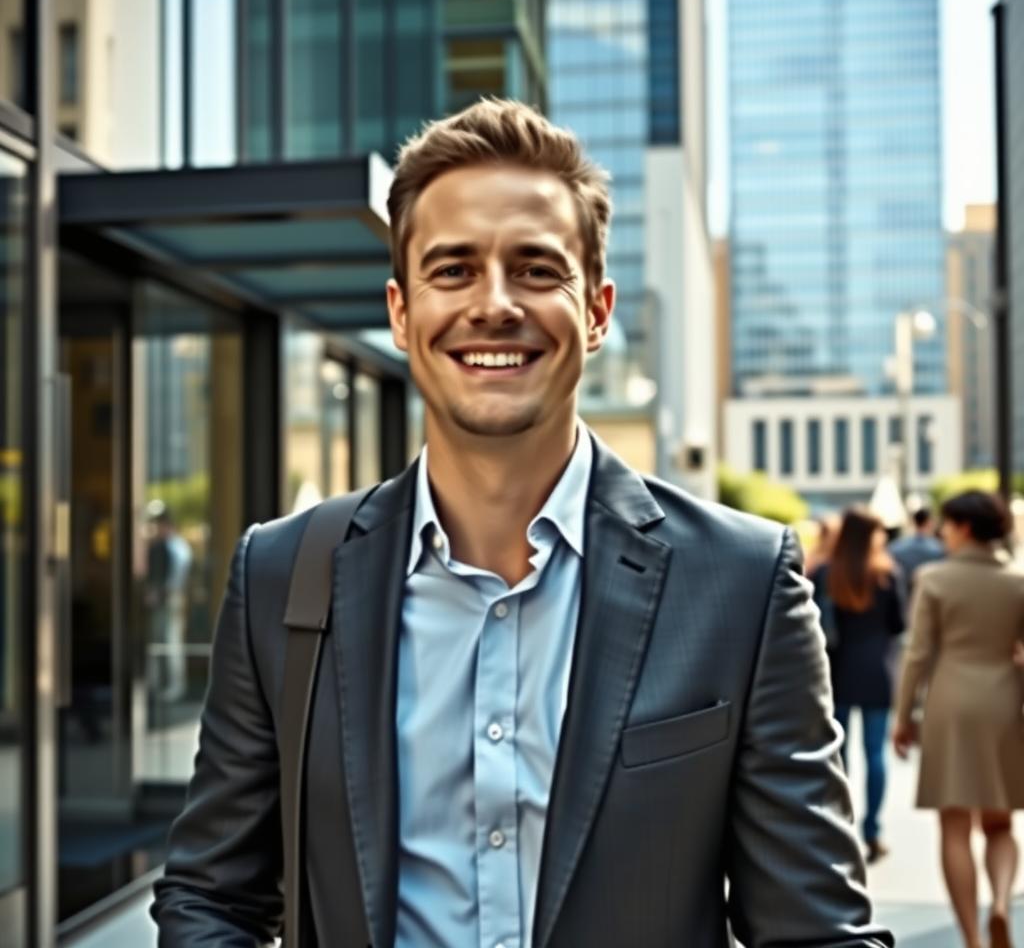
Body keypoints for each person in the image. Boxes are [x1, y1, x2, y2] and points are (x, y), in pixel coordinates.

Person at [152, 99, 892, 946]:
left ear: (598, 310)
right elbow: (211, 897)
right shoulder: (283, 573)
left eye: (537, 270)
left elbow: (817, 931)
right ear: (401, 313)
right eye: (453, 269)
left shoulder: (742, 580)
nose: (494, 304)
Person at [893, 491, 1024, 948]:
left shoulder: (934, 578)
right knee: (1000, 823)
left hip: (950, 703)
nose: (944, 534)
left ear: (964, 526)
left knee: (954, 825)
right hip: (1006, 702)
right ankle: (1004, 903)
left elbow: (918, 653)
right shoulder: (1017, 580)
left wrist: (903, 715)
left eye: (948, 525)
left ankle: (971, 937)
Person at [812, 507, 907, 863]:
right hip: (877, 671)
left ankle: (841, 826)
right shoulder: (885, 574)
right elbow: (899, 625)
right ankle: (872, 830)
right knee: (875, 755)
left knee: (838, 755)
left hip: (835, 672)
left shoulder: (826, 573)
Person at [144, 502, 193, 703]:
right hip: (165, 598)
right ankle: (157, 684)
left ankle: (174, 686)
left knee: (170, 642)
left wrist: (160, 593)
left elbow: (175, 579)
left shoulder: (176, 548)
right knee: (159, 641)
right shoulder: (165, 546)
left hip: (171, 598)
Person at [889, 505, 944, 593]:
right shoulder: (939, 549)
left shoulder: (895, 547)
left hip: (904, 595)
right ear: (930, 522)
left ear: (914, 522)